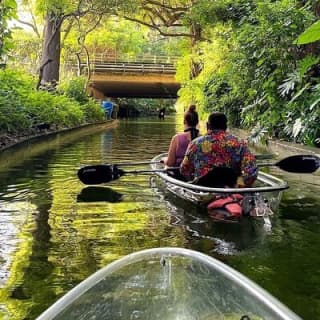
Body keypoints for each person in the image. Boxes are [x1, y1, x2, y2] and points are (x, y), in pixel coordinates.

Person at [180, 112, 258, 188]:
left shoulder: (195, 144)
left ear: (208, 125)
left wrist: (193, 179)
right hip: (232, 189)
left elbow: (184, 170)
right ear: (226, 126)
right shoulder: (239, 143)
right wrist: (239, 184)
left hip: (203, 190)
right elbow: (252, 172)